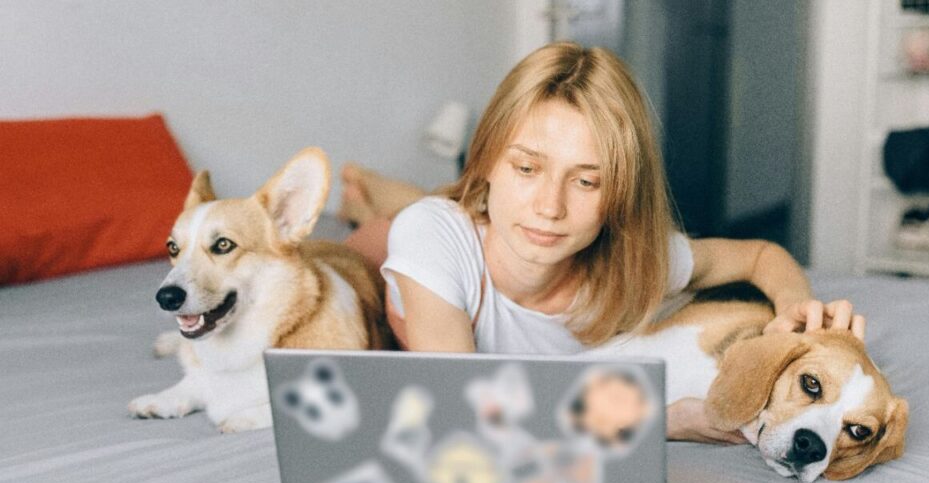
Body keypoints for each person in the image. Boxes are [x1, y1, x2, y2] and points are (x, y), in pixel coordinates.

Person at [340, 41, 866, 444]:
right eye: (526, 167)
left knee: (449, 207)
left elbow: (760, 255)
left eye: (587, 181)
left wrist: (797, 310)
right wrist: (663, 420)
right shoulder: (433, 237)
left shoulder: (633, 264)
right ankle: (363, 196)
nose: (551, 206)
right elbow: (463, 414)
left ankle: (376, 192)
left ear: (618, 195)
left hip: (475, 220)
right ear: (485, 161)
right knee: (401, 217)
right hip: (406, 267)